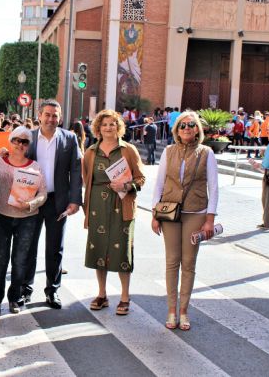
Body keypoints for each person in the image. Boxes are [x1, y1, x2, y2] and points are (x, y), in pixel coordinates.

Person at [151, 111, 218, 331]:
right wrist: (154, 214)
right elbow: (159, 183)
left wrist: (210, 219)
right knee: (172, 261)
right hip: (170, 211)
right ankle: (171, 310)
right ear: (176, 130)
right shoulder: (169, 151)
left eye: (191, 125)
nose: (187, 128)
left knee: (188, 263)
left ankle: (184, 311)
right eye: (182, 125)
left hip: (196, 212)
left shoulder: (206, 153)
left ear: (197, 128)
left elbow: (214, 188)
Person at [83, 110, 145, 315]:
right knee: (99, 249)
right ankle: (102, 294)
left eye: (112, 124)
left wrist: (127, 186)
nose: (108, 128)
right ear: (98, 128)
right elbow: (86, 179)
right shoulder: (91, 152)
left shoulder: (128, 150)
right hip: (97, 207)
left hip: (122, 204)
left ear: (118, 126)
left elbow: (140, 178)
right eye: (104, 124)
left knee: (122, 251)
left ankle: (125, 296)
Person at [22, 99, 82, 309]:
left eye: (55, 115)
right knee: (28, 247)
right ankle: (25, 290)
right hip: (32, 200)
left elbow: (75, 170)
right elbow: (15, 161)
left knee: (55, 248)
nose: (51, 119)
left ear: (60, 118)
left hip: (58, 201)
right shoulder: (27, 137)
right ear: (39, 115)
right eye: (47, 114)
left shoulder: (69, 138)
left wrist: (75, 200)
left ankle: (52, 290)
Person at [0, 126, 47, 314]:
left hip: (27, 219)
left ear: (28, 145)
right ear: (10, 140)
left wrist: (30, 205)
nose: (20, 144)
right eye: (16, 140)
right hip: (1, 216)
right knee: (1, 258)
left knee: (20, 260)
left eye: (24, 142)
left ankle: (14, 298)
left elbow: (43, 193)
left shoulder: (35, 167)